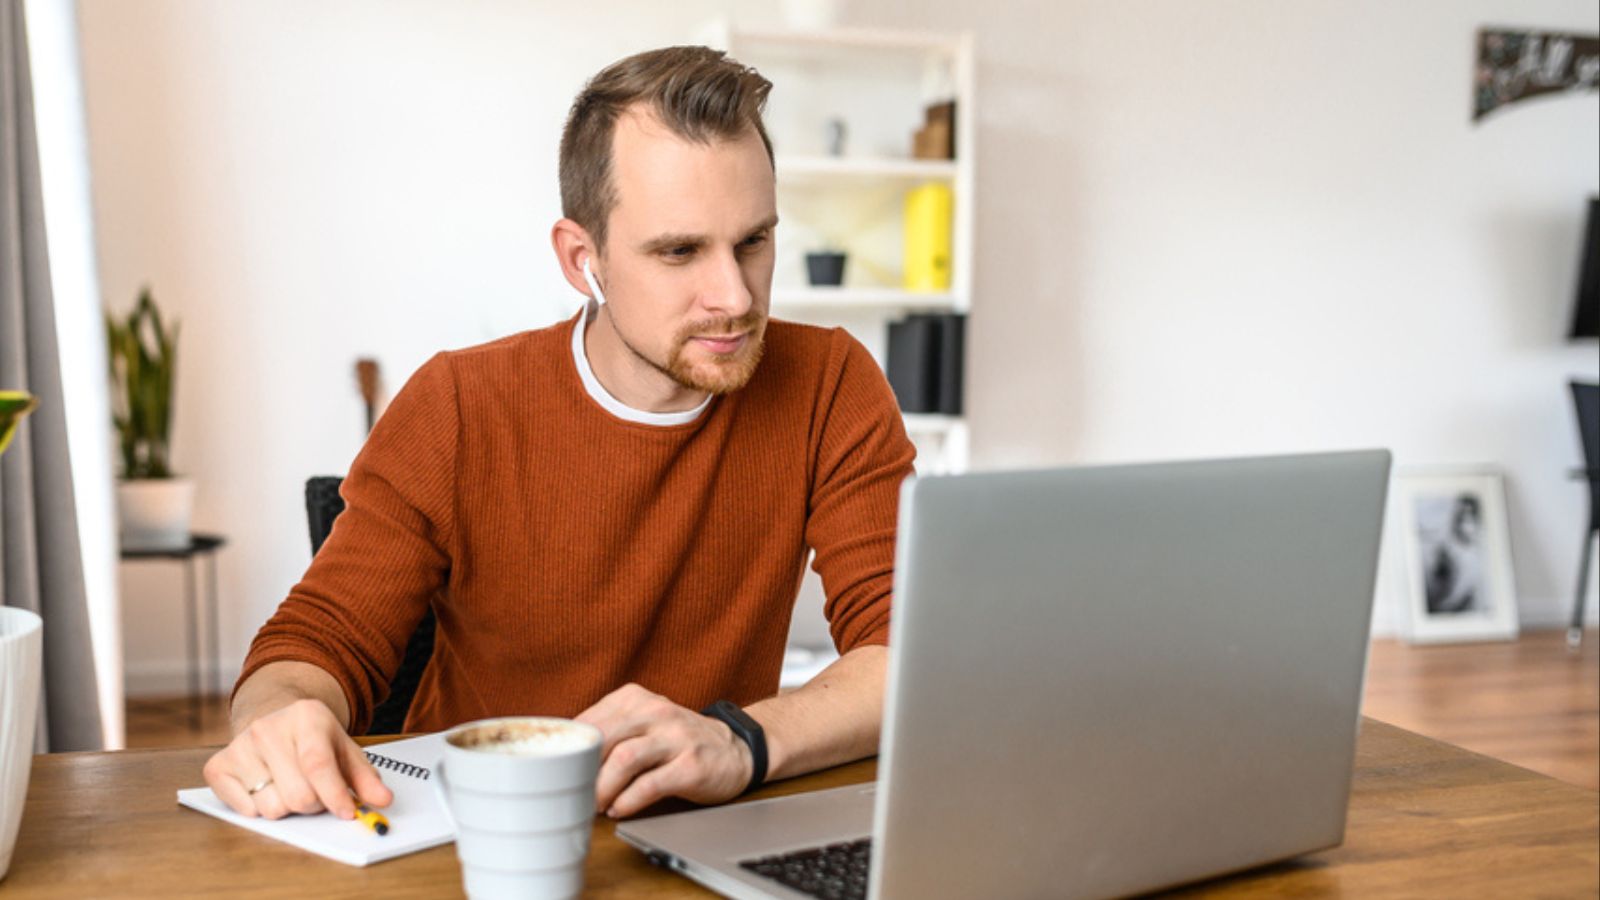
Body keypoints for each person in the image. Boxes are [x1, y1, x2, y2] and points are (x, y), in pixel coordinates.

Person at [202, 45, 914, 825]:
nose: (735, 296)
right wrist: (279, 719)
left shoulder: (830, 383)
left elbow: (908, 647)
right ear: (583, 260)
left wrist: (739, 740)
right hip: (469, 840)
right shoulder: (459, 403)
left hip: (703, 831)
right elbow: (315, 642)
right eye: (680, 251)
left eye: (753, 241)